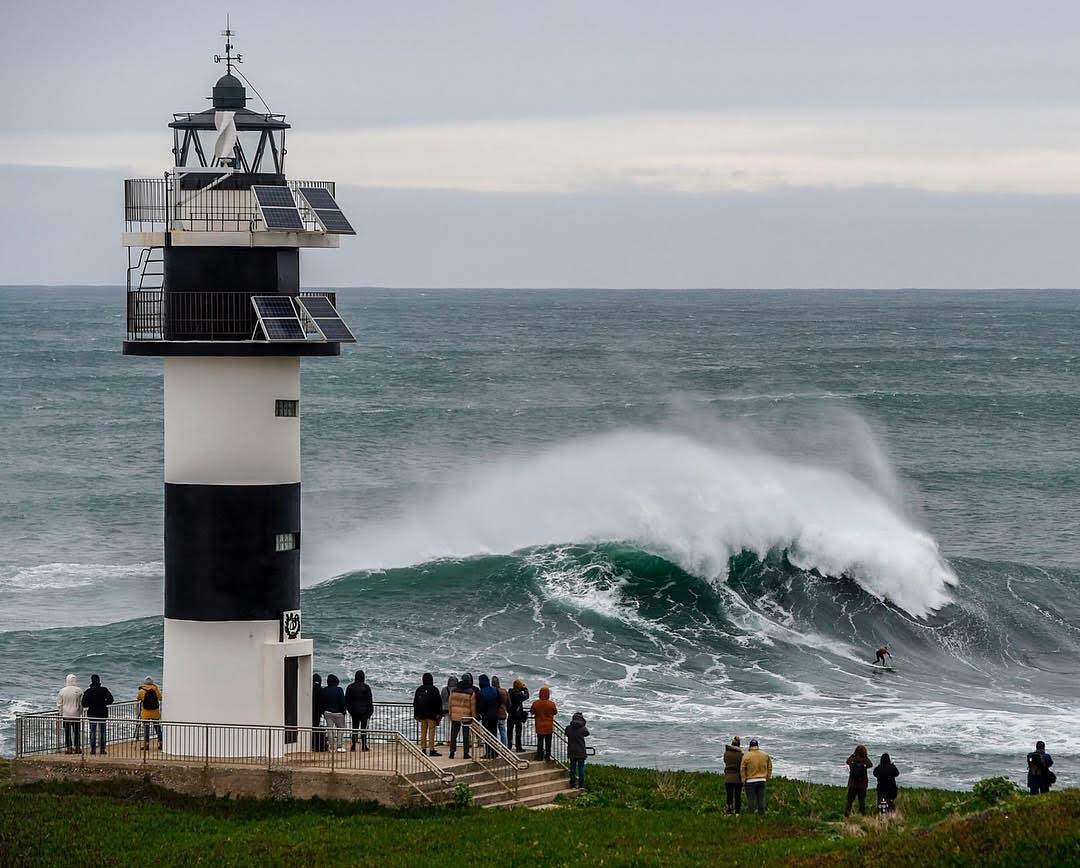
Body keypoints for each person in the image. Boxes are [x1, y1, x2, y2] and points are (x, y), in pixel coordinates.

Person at [81, 674, 113, 756]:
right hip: (102, 713)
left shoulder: (88, 691)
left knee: (93, 732)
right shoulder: (104, 690)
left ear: (91, 681)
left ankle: (93, 750)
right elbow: (111, 700)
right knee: (102, 732)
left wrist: (91, 704)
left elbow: (84, 704)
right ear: (99, 680)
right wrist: (104, 703)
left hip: (92, 713)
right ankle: (102, 749)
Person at [413, 672, 443, 757]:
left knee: (423, 732)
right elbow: (438, 702)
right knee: (431, 732)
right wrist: (439, 714)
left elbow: (415, 703)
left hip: (422, 714)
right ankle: (432, 749)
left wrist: (416, 714)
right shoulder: (434, 689)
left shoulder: (419, 689)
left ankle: (423, 749)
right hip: (432, 715)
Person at [740, 738, 772, 815]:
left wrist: (743, 779)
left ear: (750, 746)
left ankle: (751, 816)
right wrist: (768, 776)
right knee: (761, 800)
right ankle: (762, 816)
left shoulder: (746, 755)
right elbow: (769, 767)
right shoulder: (765, 755)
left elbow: (742, 768)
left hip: (750, 781)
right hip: (762, 780)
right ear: (757, 746)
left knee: (751, 800)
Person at [448, 673, 477, 759]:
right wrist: (473, 717)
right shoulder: (471, 692)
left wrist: (450, 713)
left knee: (453, 735)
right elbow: (473, 706)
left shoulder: (453, 690)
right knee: (466, 735)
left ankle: (452, 752)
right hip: (466, 716)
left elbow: (450, 704)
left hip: (455, 715)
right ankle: (465, 753)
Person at [345, 670, 374, 752]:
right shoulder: (366, 687)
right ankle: (364, 746)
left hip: (354, 712)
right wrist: (370, 712)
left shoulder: (350, 687)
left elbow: (347, 700)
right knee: (363, 730)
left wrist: (350, 710)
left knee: (354, 729)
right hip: (364, 712)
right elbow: (369, 701)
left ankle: (353, 746)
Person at [57, 674, 84, 755]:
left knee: (67, 732)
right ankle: (77, 747)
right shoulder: (79, 690)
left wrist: (61, 713)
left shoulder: (62, 691)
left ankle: (69, 748)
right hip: (76, 714)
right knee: (77, 732)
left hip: (66, 715)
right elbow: (81, 703)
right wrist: (80, 712)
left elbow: (59, 704)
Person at [321, 674, 348, 752]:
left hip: (328, 712)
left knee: (330, 729)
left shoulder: (325, 690)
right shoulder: (339, 690)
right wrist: (344, 711)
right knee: (340, 729)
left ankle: (331, 747)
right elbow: (342, 702)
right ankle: (339, 747)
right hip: (338, 713)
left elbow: (322, 702)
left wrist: (323, 711)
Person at [845, 744, 874, 816]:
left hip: (853, 783)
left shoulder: (853, 759)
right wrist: (865, 757)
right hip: (862, 784)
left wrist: (853, 755)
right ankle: (862, 814)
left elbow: (847, 761)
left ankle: (847, 813)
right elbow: (870, 764)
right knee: (861, 800)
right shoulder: (865, 760)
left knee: (850, 800)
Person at [531, 686, 558, 761]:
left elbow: (532, 712)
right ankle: (547, 756)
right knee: (548, 742)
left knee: (540, 742)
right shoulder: (551, 704)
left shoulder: (536, 703)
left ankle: (539, 756)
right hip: (548, 726)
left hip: (539, 725)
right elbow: (555, 712)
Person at [476, 674, 500, 758]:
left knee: (487, 735)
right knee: (494, 734)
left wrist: (480, 713)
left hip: (486, 716)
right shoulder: (494, 690)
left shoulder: (480, 692)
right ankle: (495, 752)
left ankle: (489, 753)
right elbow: (499, 701)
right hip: (495, 715)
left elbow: (480, 706)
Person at [566, 711, 590, 788]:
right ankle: (581, 785)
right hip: (580, 751)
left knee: (572, 769)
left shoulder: (568, 728)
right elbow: (587, 733)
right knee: (581, 769)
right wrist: (583, 724)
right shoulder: (582, 728)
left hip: (571, 751)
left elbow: (566, 733)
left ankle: (572, 784)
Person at [138, 676, 162, 751]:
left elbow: (138, 697)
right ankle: (161, 743)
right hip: (155, 712)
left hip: (146, 713)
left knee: (146, 729)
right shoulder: (156, 689)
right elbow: (160, 698)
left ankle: (146, 745)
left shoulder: (142, 690)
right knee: (157, 728)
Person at [508, 678, 530, 752]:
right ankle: (518, 747)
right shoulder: (518, 694)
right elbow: (527, 696)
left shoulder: (510, 692)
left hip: (510, 714)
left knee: (509, 732)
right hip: (517, 715)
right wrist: (525, 689)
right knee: (518, 733)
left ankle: (509, 746)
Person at [723, 736, 744, 814]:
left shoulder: (726, 754)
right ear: (738, 745)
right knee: (737, 796)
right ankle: (737, 811)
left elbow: (725, 762)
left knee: (729, 795)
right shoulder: (741, 755)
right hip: (738, 778)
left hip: (728, 778)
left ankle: (729, 810)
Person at [439, 675, 458, 746]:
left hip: (445, 709)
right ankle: (453, 740)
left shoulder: (444, 689)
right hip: (454, 709)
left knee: (447, 725)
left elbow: (442, 699)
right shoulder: (457, 690)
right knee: (454, 726)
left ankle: (447, 740)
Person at [492, 676, 510, 747]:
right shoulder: (504, 691)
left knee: (494, 732)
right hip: (502, 713)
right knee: (503, 731)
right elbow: (509, 703)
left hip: (494, 714)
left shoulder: (493, 691)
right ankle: (505, 747)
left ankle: (495, 747)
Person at [311, 673, 327, 752]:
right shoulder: (321, 689)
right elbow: (323, 702)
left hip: (309, 711)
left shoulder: (309, 688)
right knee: (316, 726)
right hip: (317, 712)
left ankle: (311, 743)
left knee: (310, 727)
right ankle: (316, 743)